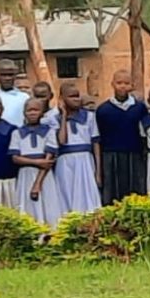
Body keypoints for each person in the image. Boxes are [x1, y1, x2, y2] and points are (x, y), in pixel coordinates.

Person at [94, 73, 149, 203]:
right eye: (119, 83)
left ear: (132, 85)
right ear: (112, 84)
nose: (122, 86)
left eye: (126, 83)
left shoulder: (139, 108)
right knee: (113, 193)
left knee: (135, 192)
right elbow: (98, 138)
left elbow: (144, 134)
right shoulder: (103, 110)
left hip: (134, 155)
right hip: (110, 156)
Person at [10, 94, 63, 227]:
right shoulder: (17, 133)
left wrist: (37, 183)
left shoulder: (49, 132)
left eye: (36, 110)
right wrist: (37, 162)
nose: (32, 113)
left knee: (47, 203)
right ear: (24, 113)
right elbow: (15, 158)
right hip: (26, 174)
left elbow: (48, 159)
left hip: (44, 175)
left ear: (42, 113)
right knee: (27, 205)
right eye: (29, 110)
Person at [52, 87, 103, 220]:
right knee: (66, 193)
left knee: (88, 194)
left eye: (77, 96)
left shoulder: (89, 117)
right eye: (71, 96)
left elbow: (95, 144)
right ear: (62, 99)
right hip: (65, 162)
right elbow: (62, 141)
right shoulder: (54, 118)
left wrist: (98, 172)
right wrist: (64, 116)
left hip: (85, 160)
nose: (76, 99)